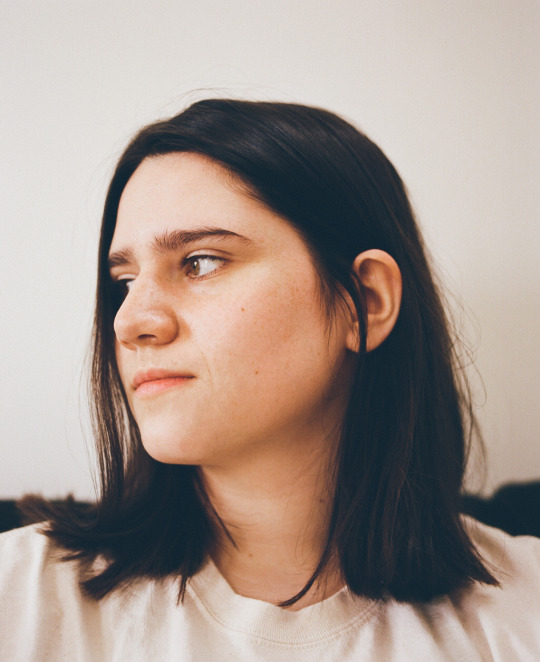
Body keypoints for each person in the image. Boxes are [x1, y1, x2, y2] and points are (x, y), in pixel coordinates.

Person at [1, 98, 539, 660]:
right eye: (124, 282)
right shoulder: (20, 599)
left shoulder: (522, 617)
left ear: (365, 301)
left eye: (200, 261)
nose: (129, 322)